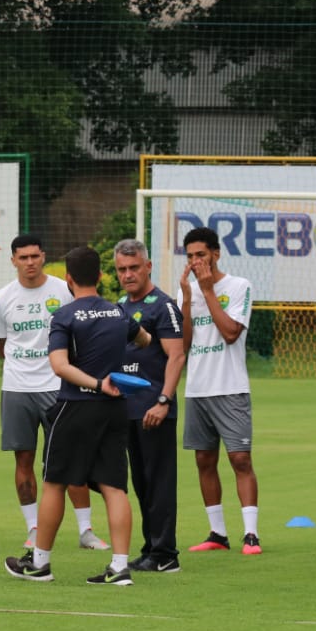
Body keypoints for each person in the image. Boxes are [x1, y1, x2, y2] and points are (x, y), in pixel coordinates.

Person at [4, 246, 137, 585]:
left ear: (68, 279)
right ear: (102, 276)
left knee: (54, 482)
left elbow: (59, 365)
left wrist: (96, 383)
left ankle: (39, 563)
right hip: (115, 408)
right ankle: (120, 566)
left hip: (77, 405)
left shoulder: (64, 316)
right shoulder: (119, 312)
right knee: (114, 486)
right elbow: (147, 340)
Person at [0, 233, 109, 551]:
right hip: (16, 388)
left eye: (35, 256)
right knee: (24, 458)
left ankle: (86, 531)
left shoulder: (63, 291)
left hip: (59, 387)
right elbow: (2, 345)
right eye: (23, 257)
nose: (30, 263)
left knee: (71, 458)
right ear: (13, 260)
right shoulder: (1, 299)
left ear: (43, 256)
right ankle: (33, 528)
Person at [180, 227, 262, 554]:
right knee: (204, 459)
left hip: (230, 386)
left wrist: (207, 291)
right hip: (197, 388)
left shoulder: (239, 286)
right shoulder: (187, 290)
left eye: (201, 254)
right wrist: (188, 299)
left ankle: (251, 534)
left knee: (240, 458)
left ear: (216, 253)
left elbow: (230, 333)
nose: (196, 261)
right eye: (190, 256)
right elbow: (185, 345)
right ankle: (217, 534)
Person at [114, 238, 186, 573]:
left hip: (154, 408)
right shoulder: (118, 305)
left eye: (133, 268)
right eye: (121, 269)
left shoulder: (164, 306)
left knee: (159, 481)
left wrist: (163, 401)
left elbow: (177, 355)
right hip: (126, 408)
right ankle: (150, 547)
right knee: (140, 483)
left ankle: (165, 553)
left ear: (148, 267)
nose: (128, 275)